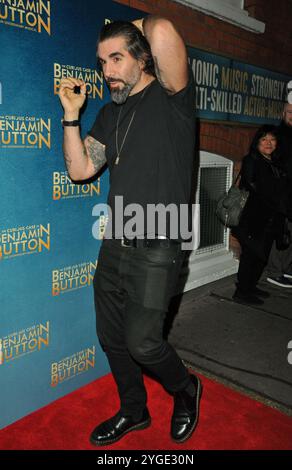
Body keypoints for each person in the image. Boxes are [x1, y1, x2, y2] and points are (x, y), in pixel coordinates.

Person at [58, 17, 201, 446]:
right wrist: (70, 118)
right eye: (103, 62)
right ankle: (134, 411)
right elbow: (81, 169)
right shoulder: (108, 113)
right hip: (114, 243)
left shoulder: (173, 97)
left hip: (159, 245)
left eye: (117, 58)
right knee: (113, 339)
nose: (108, 72)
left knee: (143, 344)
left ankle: (186, 388)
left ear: (143, 57)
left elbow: (161, 32)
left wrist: (130, 22)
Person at [232, 125, 289, 305]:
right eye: (264, 139)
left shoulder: (275, 162)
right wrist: (277, 201)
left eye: (272, 140)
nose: (268, 143)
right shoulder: (251, 160)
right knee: (250, 255)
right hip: (253, 218)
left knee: (261, 256)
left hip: (270, 219)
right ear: (257, 142)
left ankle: (251, 286)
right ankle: (241, 291)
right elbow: (254, 186)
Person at [266, 103, 292, 288]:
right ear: (283, 112)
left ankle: (287, 268)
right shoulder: (277, 134)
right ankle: (275, 272)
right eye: (290, 112)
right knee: (281, 232)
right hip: (282, 193)